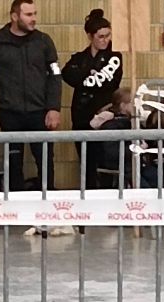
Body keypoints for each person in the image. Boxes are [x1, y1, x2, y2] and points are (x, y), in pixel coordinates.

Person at [0, 0, 62, 193]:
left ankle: (48, 201)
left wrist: (54, 107)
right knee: (13, 162)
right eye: (28, 15)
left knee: (45, 160)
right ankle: (15, 203)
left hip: (40, 112)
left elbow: (55, 75)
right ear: (15, 16)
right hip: (10, 113)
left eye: (35, 14)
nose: (34, 19)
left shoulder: (43, 41)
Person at [61, 9, 123, 189]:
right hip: (81, 114)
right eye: (100, 36)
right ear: (90, 36)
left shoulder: (114, 57)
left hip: (103, 113)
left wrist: (84, 78)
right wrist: (89, 74)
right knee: (85, 160)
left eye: (108, 35)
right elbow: (67, 74)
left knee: (103, 159)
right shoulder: (80, 57)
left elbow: (108, 81)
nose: (105, 40)